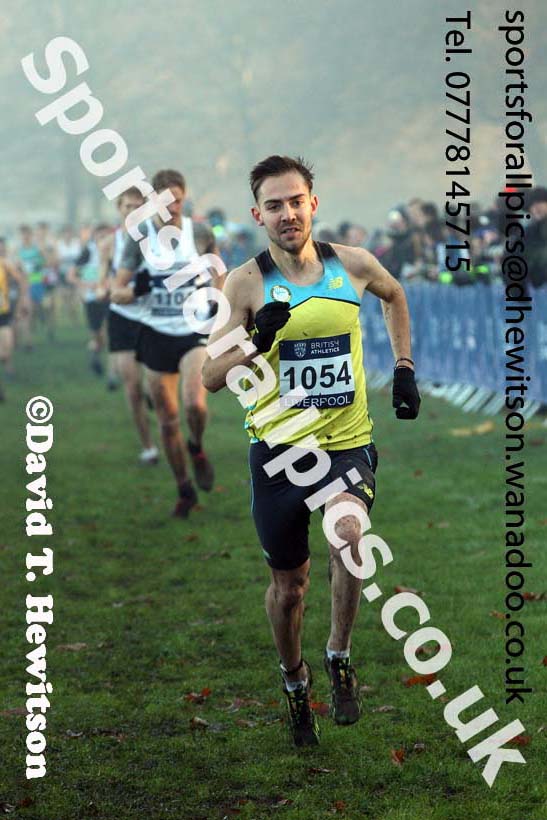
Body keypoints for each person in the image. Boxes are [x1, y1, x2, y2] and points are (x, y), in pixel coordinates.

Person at [202, 155, 420, 747]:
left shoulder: (350, 265)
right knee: (290, 588)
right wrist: (255, 337)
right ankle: (295, 683)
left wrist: (403, 367)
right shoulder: (244, 283)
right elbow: (210, 375)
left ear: (312, 203)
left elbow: (395, 294)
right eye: (274, 205)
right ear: (258, 215)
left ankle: (339, 656)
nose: (287, 213)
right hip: (278, 454)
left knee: (349, 535)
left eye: (295, 200)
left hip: (346, 445)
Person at [111, 169, 221, 517]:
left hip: (193, 331)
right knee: (168, 419)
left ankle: (197, 447)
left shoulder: (199, 233)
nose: (171, 207)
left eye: (177, 200)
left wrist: (217, 300)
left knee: (195, 405)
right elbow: (115, 291)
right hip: (155, 333)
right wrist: (138, 289)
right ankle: (184, 489)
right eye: (164, 200)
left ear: (184, 200)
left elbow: (220, 272)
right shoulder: (139, 237)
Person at [99, 188, 159, 464]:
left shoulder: (156, 241)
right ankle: (148, 446)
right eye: (127, 207)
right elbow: (104, 281)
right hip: (121, 315)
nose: (133, 211)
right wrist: (105, 289)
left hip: (152, 316)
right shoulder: (109, 245)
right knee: (132, 389)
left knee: (153, 385)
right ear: (119, 209)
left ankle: (156, 404)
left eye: (139, 206)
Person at [69, 224, 111, 375]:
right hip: (92, 299)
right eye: (100, 236)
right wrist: (88, 285)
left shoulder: (115, 250)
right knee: (97, 334)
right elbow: (71, 275)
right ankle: (95, 354)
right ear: (94, 237)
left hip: (110, 297)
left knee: (109, 331)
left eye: (106, 236)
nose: (104, 239)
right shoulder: (88, 251)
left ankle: (112, 372)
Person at [0, 240, 30, 399]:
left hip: (3, 313)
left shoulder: (4, 264)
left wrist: (22, 300)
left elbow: (22, 281)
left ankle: (8, 366)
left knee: (6, 350)